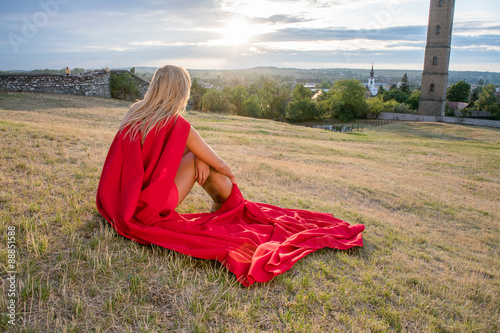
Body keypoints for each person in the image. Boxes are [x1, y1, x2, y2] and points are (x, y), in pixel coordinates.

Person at [96, 65, 364, 287]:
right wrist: (205, 160)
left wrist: (196, 157)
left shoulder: (134, 113)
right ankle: (230, 207)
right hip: (149, 208)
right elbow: (222, 166)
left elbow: (148, 160)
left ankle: (219, 202)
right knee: (206, 163)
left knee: (198, 158)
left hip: (120, 203)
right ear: (180, 92)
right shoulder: (179, 125)